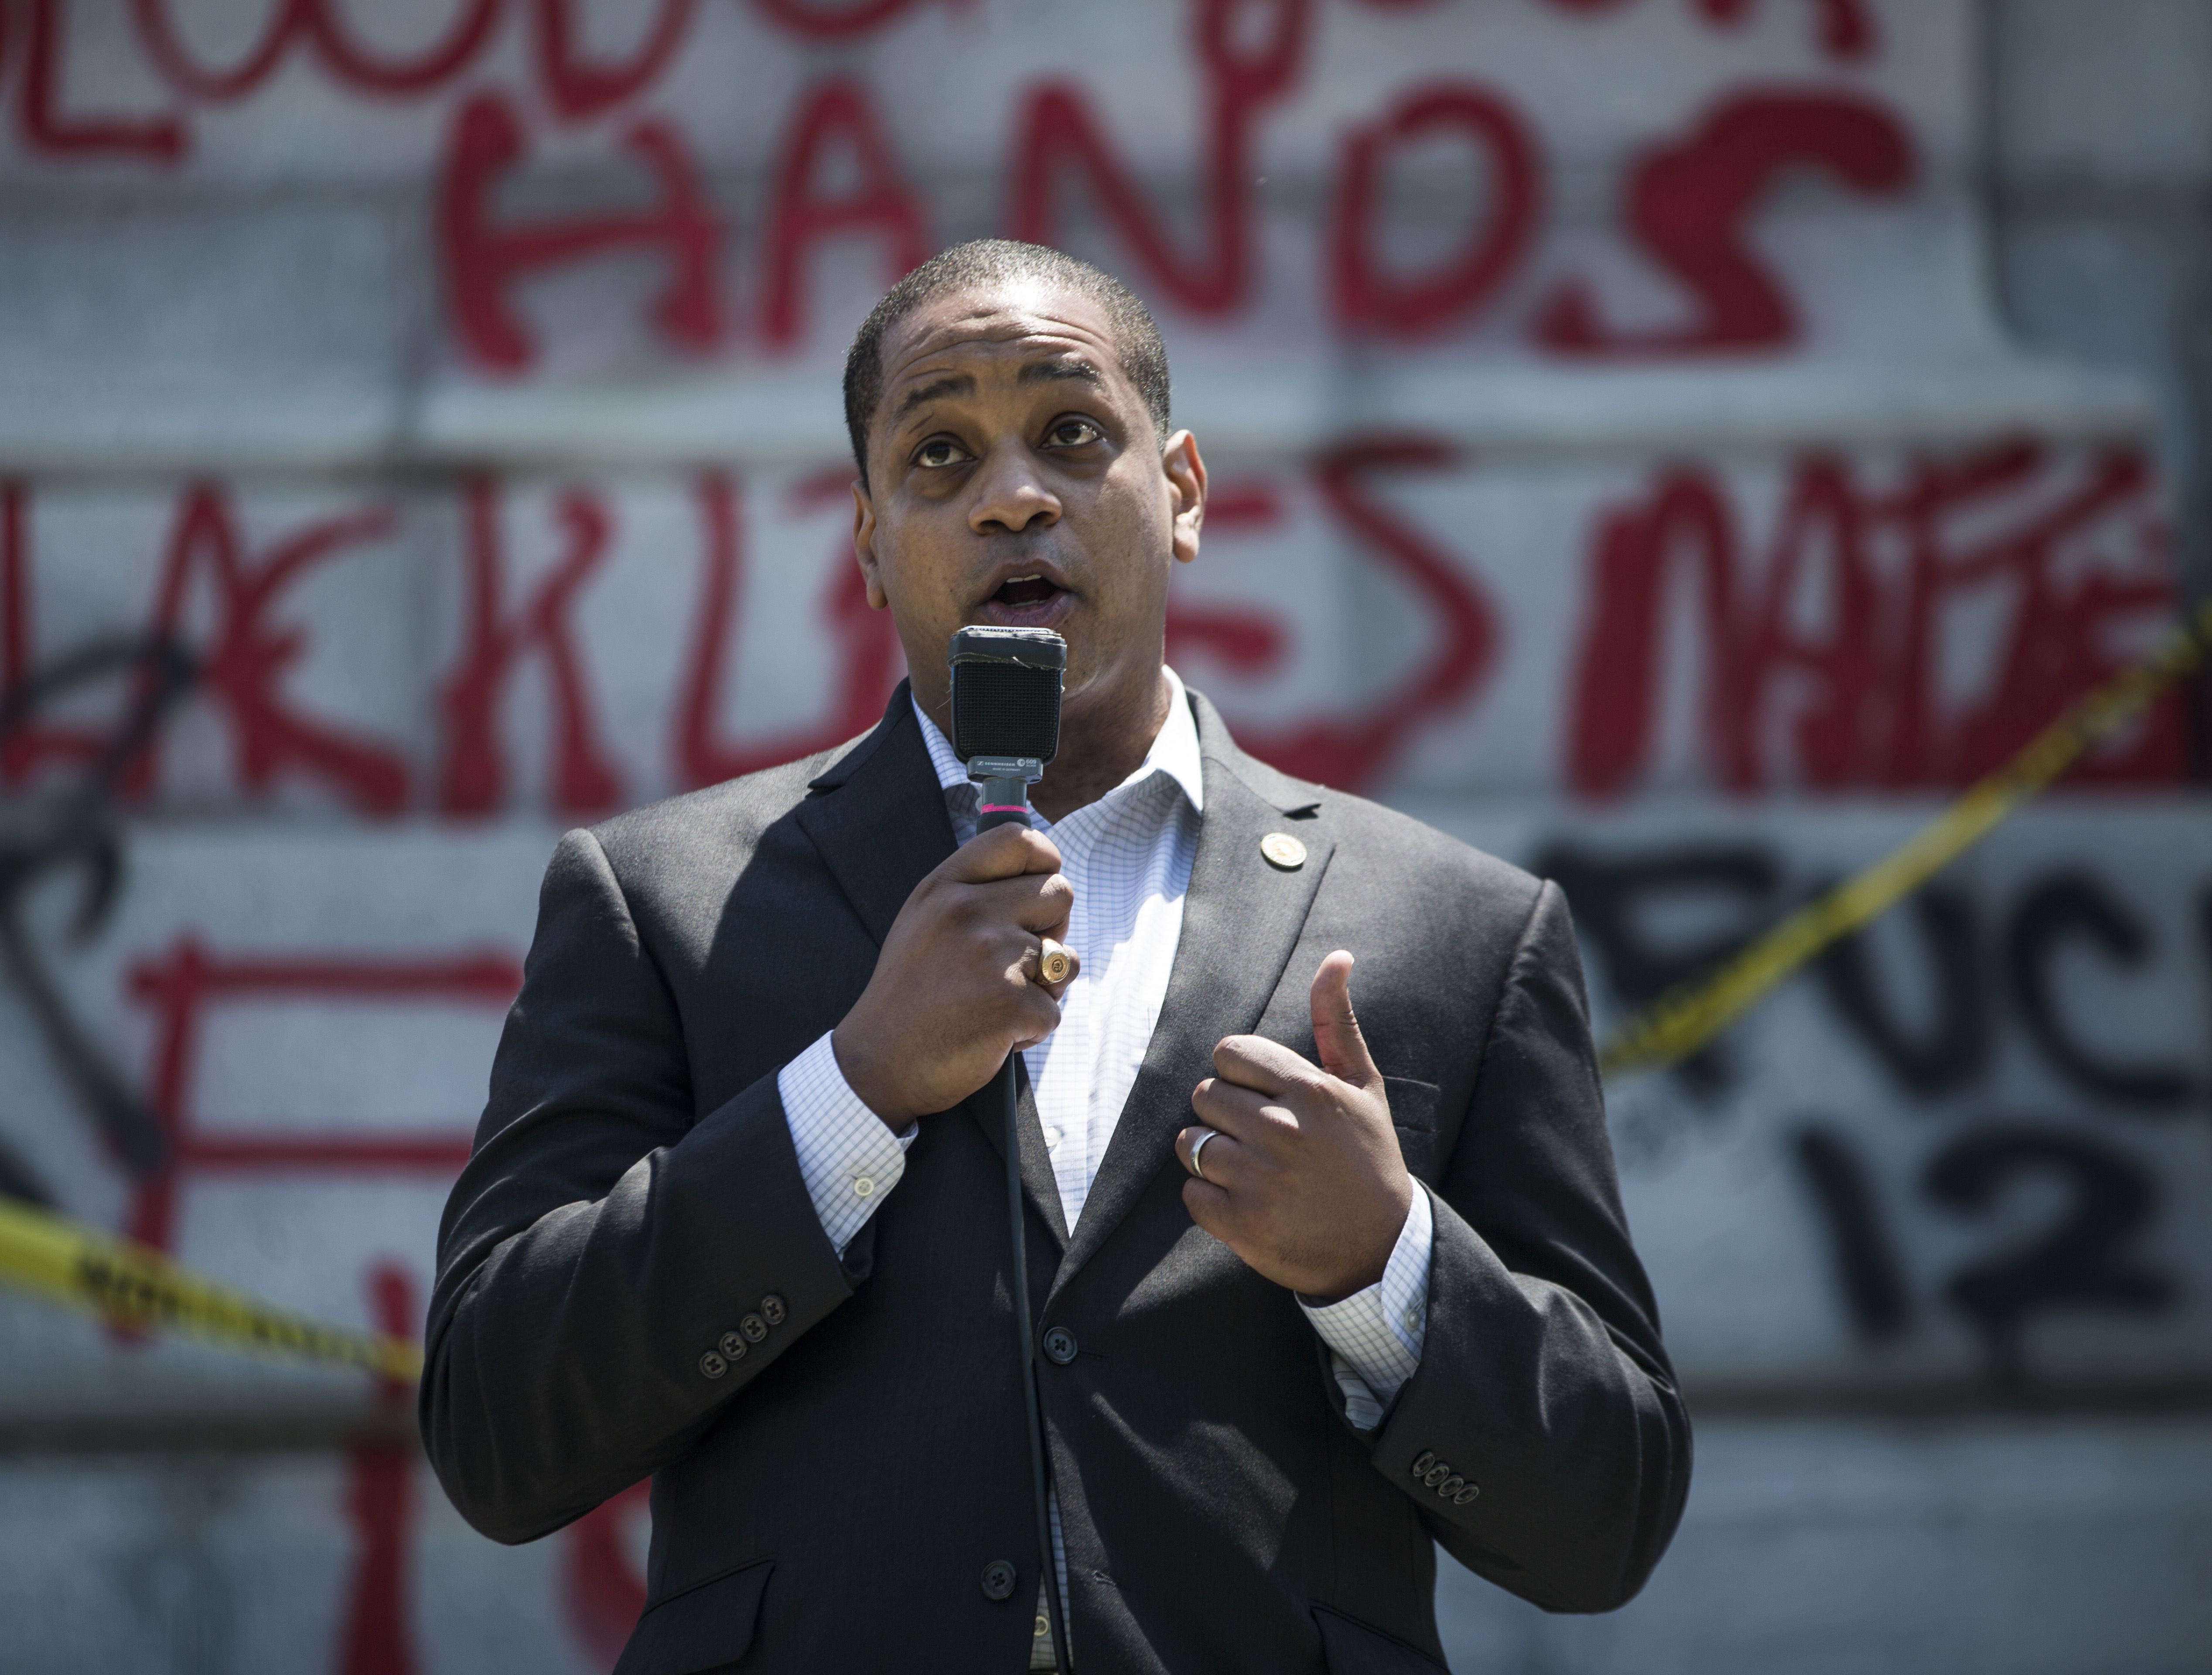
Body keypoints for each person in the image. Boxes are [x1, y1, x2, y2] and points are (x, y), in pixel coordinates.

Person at [422, 239, 1689, 1675]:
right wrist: (851, 1093)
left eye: (1074, 435)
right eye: (940, 454)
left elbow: (1610, 1519)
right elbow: (493, 1432)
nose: (1014, 495)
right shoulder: (661, 898)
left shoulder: (1457, 928)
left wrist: (1384, 1271)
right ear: (869, 541)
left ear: (1185, 493)